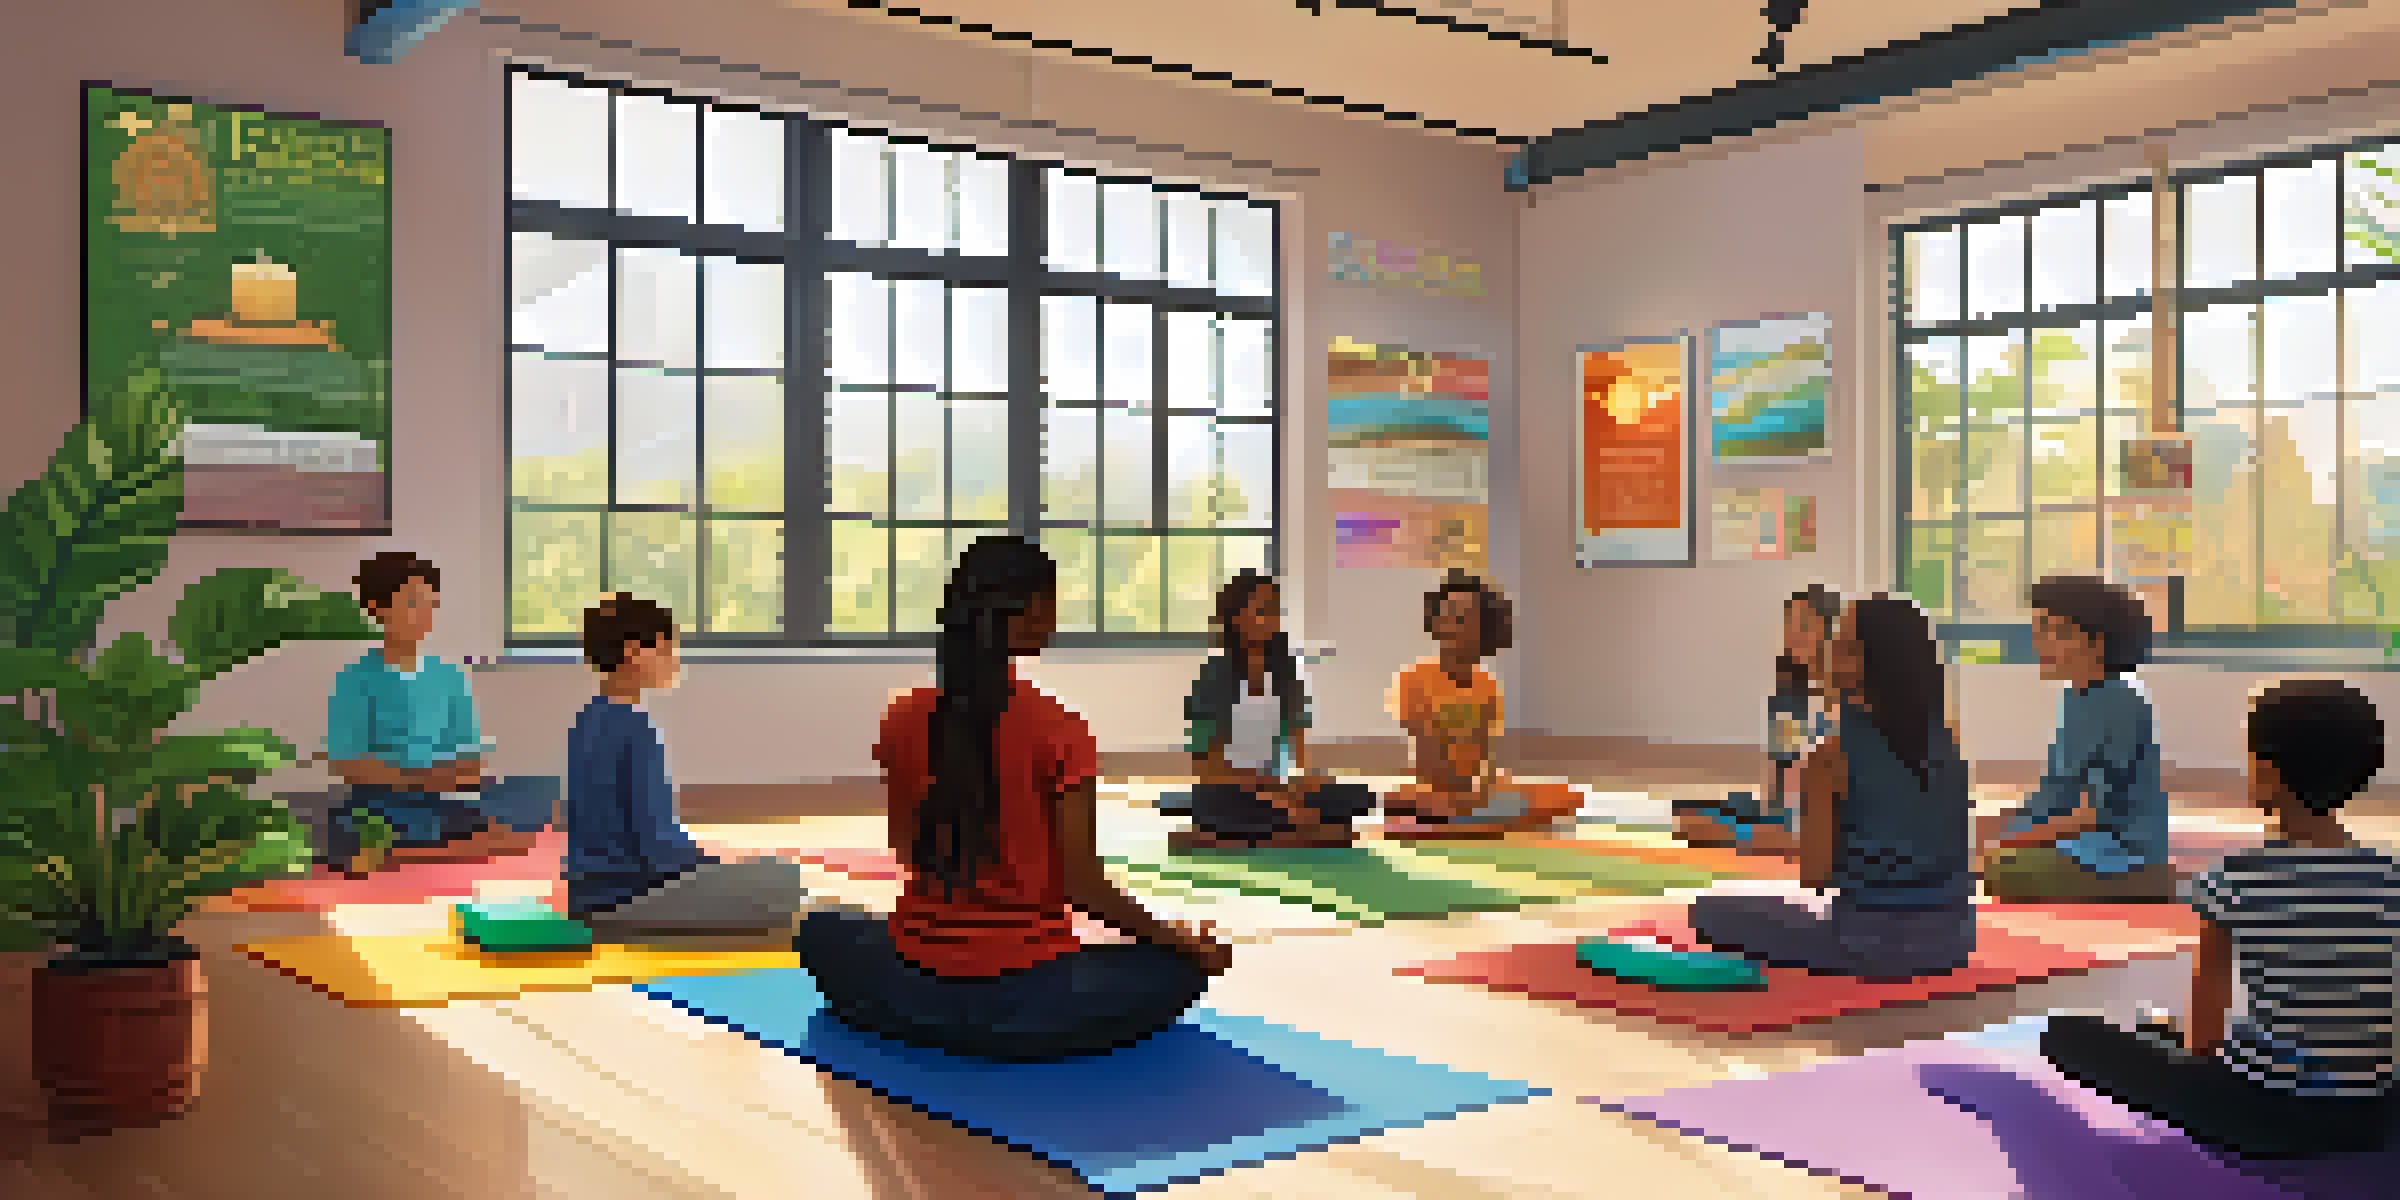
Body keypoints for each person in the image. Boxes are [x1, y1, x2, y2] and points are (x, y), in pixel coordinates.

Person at [795, 535, 1229, 1061]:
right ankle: (996, 1028)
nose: (1054, 618)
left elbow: (908, 853)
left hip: (908, 977)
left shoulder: (902, 716)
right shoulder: (1062, 730)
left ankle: (921, 1017)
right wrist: (1178, 939)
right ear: (1025, 615)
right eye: (1050, 603)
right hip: (1028, 991)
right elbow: (1083, 885)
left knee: (822, 924)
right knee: (1175, 970)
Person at [2042, 679, 2399, 1158]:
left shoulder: (2236, 877)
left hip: (2264, 1118)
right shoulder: (2392, 876)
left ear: (2269, 775)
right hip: (2372, 1118)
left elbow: (2206, 1028)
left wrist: (2192, 1071)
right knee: (2195, 1028)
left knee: (2066, 1035)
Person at [1687, 595, 1977, 978]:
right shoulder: (1946, 744)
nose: (1823, 653)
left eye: (1838, 644)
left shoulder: (1831, 756)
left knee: (1709, 911)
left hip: (1869, 942)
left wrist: (1735, 837)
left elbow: (1815, 873)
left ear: (1861, 664)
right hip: (1953, 940)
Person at [564, 593, 813, 940]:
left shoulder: (587, 718)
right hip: (625, 898)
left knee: (762, 875)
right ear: (633, 652)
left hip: (585, 890)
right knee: (782, 878)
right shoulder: (636, 729)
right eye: (667, 649)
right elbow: (659, 848)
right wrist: (718, 866)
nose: (674, 660)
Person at [323, 552, 551, 874]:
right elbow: (346, 763)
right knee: (358, 826)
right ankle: (420, 849)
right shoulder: (355, 679)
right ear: (378, 608)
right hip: (383, 801)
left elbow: (470, 753)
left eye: (431, 605)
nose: (425, 615)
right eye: (414, 603)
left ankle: (407, 855)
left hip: (442, 799)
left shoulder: (449, 675)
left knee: (536, 798)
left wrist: (460, 775)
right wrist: (416, 779)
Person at [1979, 576, 2174, 902]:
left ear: (2096, 641)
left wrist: (2012, 840)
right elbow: (2057, 794)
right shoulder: (2076, 696)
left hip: (2116, 850)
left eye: (2053, 631)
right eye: (2037, 628)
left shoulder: (2121, 702)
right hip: (2074, 835)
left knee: (2001, 867)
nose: (2037, 641)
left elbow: (2091, 816)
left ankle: (2144, 885)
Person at [1161, 570, 1379, 851]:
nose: (1272, 620)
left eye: (1275, 611)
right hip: (1228, 788)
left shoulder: (1286, 672)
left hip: (1276, 787)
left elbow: (1300, 753)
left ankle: (1265, 835)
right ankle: (1283, 833)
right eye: (1262, 611)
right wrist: (1272, 795)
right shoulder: (1214, 676)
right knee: (1227, 807)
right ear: (1236, 619)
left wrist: (1305, 783)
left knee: (1358, 799)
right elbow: (1207, 768)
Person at [1382, 570, 1582, 839]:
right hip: (1433, 790)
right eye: (1446, 614)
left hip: (1477, 790)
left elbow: (1485, 753)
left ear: (1484, 630)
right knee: (1401, 801)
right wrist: (1464, 795)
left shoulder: (1487, 685)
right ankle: (1463, 818)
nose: (1450, 624)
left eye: (1463, 618)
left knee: (1564, 795)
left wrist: (1483, 789)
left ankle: (1468, 819)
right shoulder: (1413, 679)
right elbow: (1426, 752)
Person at [1675, 585, 1844, 857]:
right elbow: (1780, 769)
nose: (1794, 635)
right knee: (1686, 811)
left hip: (1815, 821)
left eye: (1805, 625)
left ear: (1832, 632)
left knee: (1705, 827)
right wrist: (1762, 814)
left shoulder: (1844, 699)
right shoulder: (1789, 695)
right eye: (1789, 625)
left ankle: (1757, 836)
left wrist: (1754, 831)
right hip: (1785, 811)